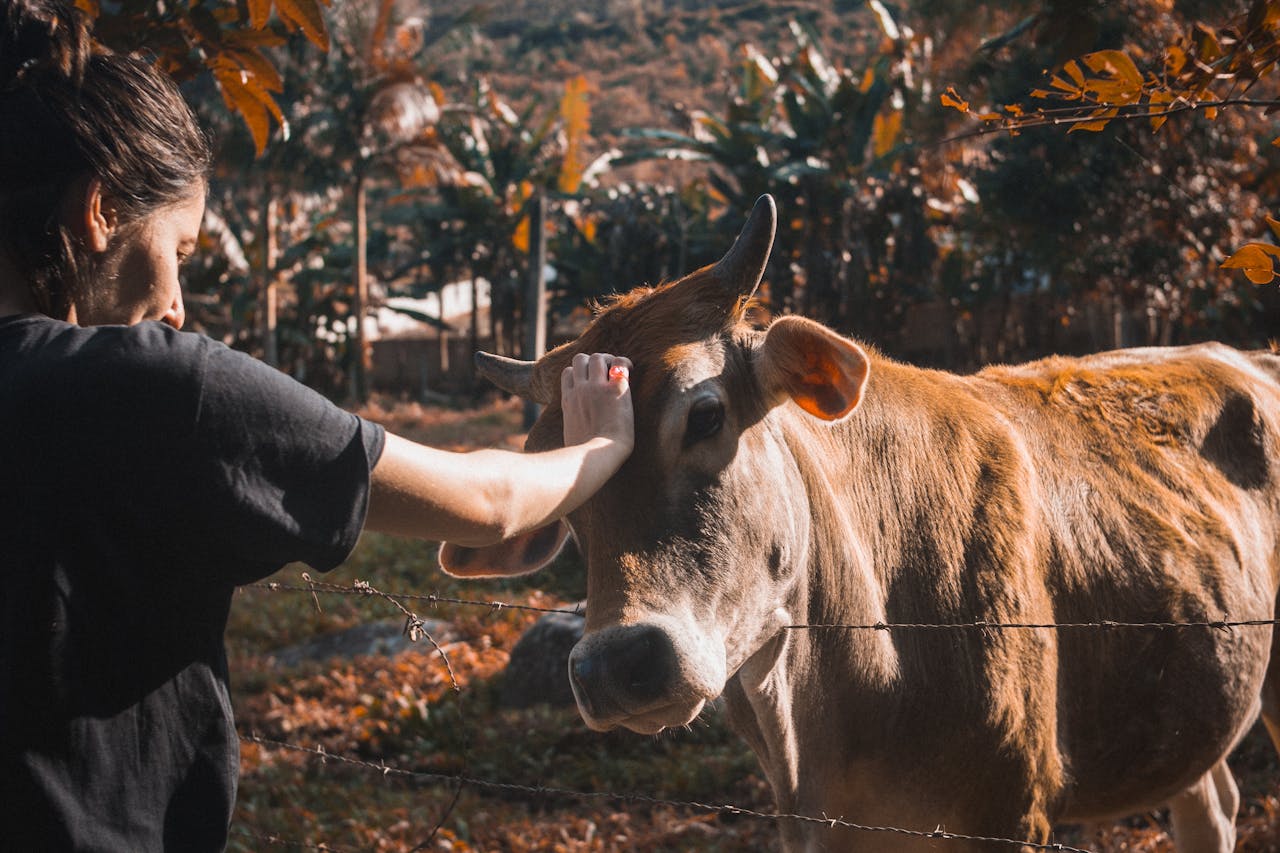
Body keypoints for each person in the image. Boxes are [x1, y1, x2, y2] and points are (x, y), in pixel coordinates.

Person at [0, 1, 634, 850]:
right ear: (102, 210)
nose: (178, 307)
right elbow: (487, 501)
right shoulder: (159, 388)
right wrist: (605, 442)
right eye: (180, 252)